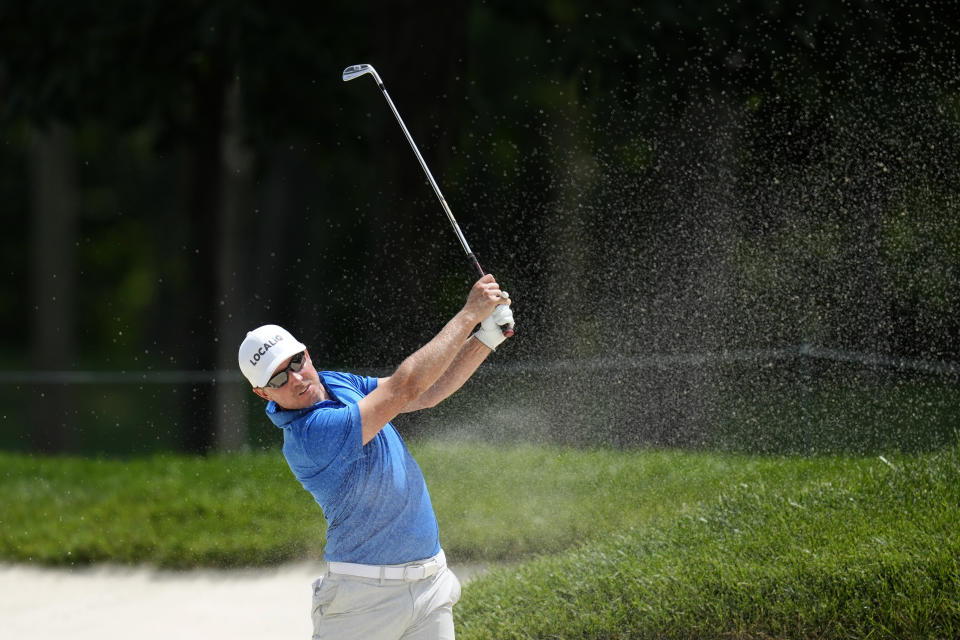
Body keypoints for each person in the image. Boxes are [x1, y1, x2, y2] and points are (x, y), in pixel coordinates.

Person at [237, 274, 514, 640]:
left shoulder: (335, 382)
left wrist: (486, 337)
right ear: (262, 394)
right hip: (362, 603)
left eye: (296, 362)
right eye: (277, 379)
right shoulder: (309, 435)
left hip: (430, 585)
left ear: (306, 352)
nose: (296, 379)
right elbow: (405, 386)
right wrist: (469, 315)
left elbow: (424, 393)